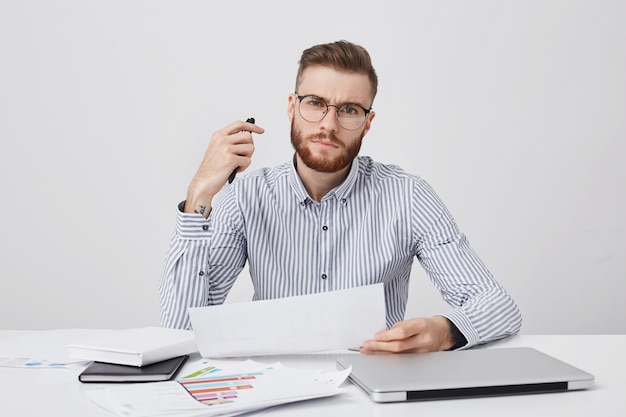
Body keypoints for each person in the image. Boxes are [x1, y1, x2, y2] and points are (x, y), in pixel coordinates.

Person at [159, 40, 522, 353]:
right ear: (291, 106)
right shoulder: (248, 198)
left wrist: (442, 331)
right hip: (276, 386)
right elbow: (180, 330)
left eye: (349, 110)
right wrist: (200, 193)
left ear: (368, 121)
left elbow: (498, 307)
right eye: (315, 103)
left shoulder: (408, 196)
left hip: (375, 385)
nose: (328, 125)